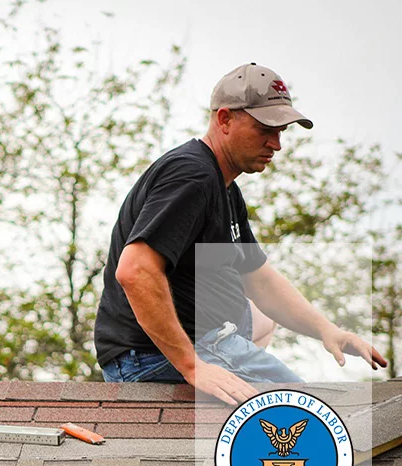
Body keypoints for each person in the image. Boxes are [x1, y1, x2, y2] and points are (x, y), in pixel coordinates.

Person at [93, 63, 386, 405]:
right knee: (310, 411)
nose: (276, 144)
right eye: (265, 129)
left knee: (257, 315)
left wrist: (328, 330)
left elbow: (258, 279)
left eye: (281, 132)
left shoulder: (224, 186)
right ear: (224, 119)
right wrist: (194, 367)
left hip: (196, 340)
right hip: (148, 357)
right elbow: (135, 270)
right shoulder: (193, 177)